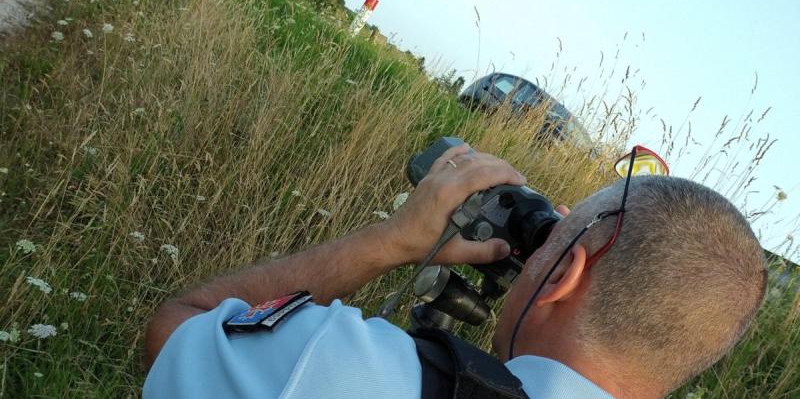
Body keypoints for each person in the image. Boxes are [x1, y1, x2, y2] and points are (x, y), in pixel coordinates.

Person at [143, 143, 766, 399]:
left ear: (564, 275)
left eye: (557, 237)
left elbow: (175, 330)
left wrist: (391, 241)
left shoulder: (358, 371)